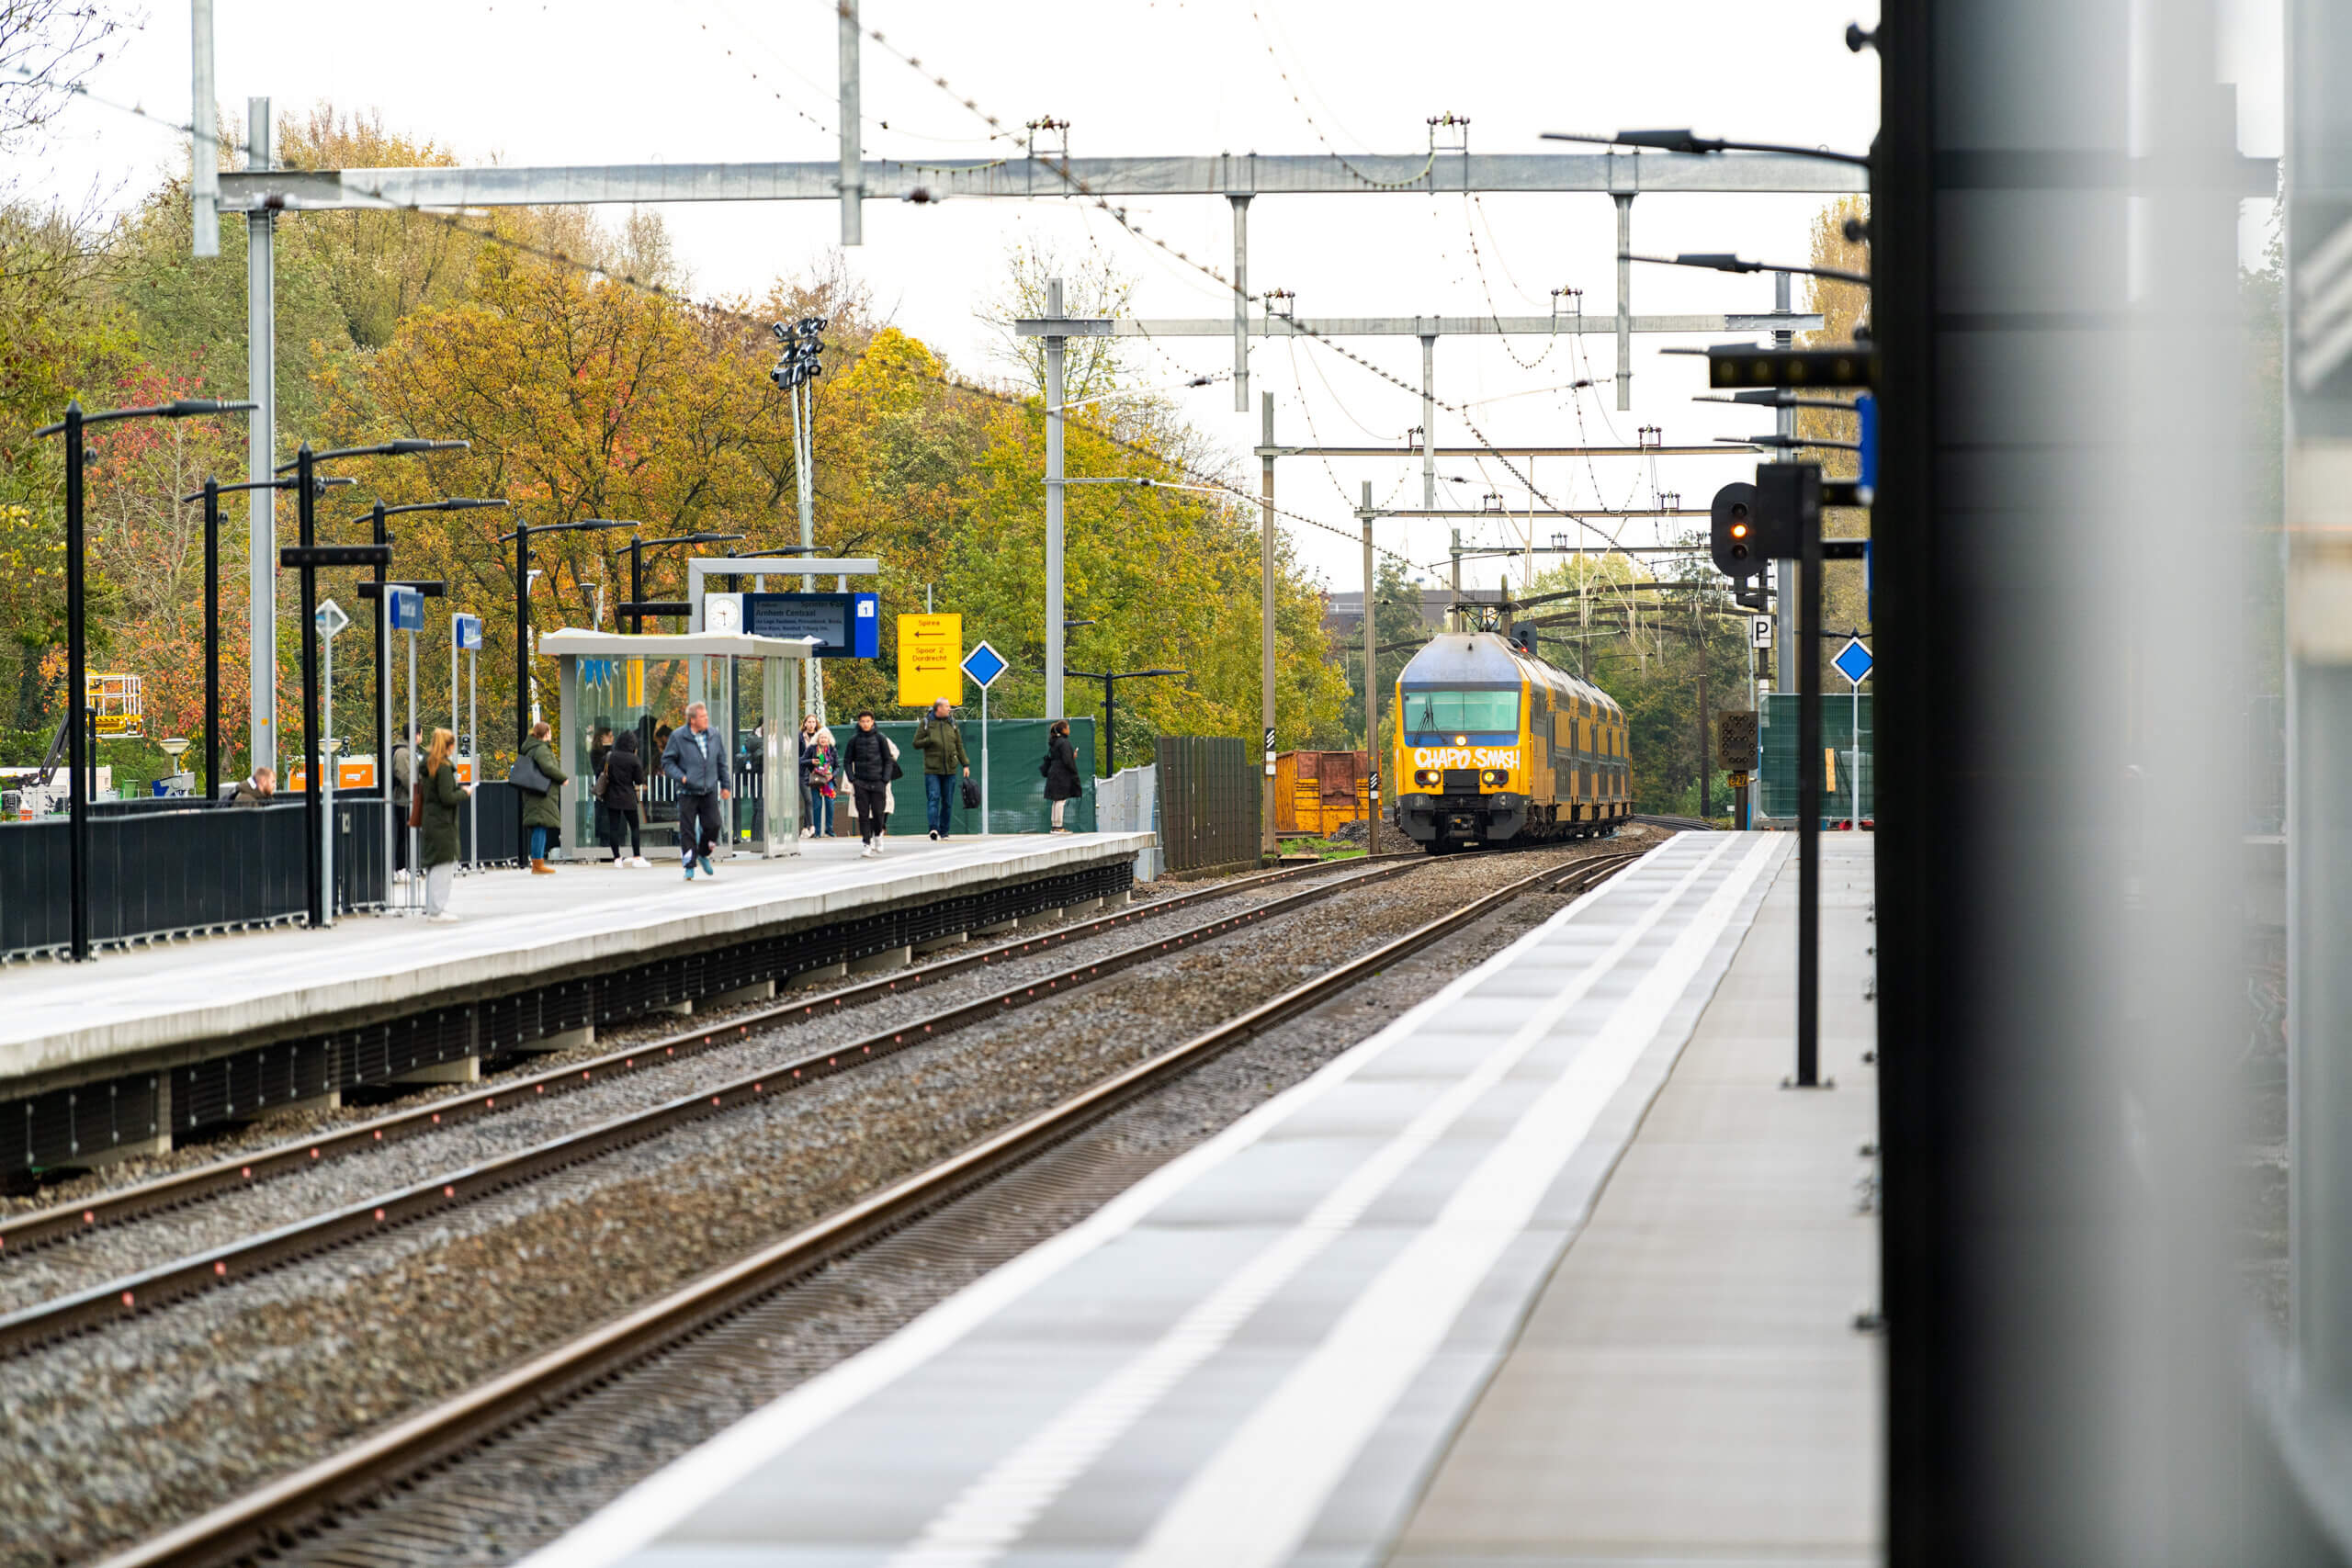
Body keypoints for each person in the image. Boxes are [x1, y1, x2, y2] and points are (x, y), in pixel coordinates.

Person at [660, 701, 733, 880]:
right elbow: (667, 762)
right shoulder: (678, 737)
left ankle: (703, 853)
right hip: (687, 792)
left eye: (706, 716)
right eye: (702, 717)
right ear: (692, 720)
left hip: (708, 789)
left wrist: (725, 785)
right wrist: (682, 777)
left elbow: (721, 761)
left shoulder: (714, 735)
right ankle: (689, 866)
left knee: (714, 825)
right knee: (688, 831)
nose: (706, 719)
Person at [417, 727, 471, 922]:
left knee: (434, 865)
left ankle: (432, 907)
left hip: (430, 819)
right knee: (444, 865)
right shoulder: (444, 767)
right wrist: (464, 793)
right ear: (448, 746)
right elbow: (447, 796)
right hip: (443, 822)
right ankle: (437, 910)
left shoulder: (429, 764)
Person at [911, 698, 971, 841]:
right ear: (938, 708)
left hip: (950, 769)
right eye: (946, 706)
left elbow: (959, 745)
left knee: (948, 801)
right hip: (932, 769)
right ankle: (933, 828)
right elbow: (916, 743)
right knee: (934, 798)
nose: (949, 709)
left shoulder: (952, 723)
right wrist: (929, 740)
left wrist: (965, 764)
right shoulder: (926, 723)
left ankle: (944, 831)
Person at [842, 709, 899, 859]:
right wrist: (852, 779)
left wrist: (885, 779)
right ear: (859, 723)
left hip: (878, 782)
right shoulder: (854, 740)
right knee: (863, 814)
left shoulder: (880, 738)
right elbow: (847, 761)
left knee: (879, 812)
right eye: (863, 721)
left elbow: (888, 759)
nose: (865, 724)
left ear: (873, 722)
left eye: (868, 721)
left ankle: (878, 835)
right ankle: (866, 844)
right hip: (861, 782)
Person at [518, 719, 569, 875]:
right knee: (540, 827)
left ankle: (537, 863)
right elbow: (548, 767)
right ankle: (538, 864)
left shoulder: (530, 748)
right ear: (546, 733)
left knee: (539, 827)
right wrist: (562, 778)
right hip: (541, 793)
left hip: (534, 792)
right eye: (550, 732)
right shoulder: (541, 749)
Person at [600, 730, 647, 865]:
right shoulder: (633, 759)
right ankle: (637, 857)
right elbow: (639, 780)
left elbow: (599, 773)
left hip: (611, 797)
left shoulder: (609, 756)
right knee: (634, 827)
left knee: (613, 828)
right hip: (628, 797)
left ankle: (617, 858)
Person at [797, 715, 838, 840]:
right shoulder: (811, 748)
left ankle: (829, 829)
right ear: (818, 739)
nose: (823, 739)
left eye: (826, 737)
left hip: (828, 780)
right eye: (821, 737)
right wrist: (811, 761)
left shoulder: (832, 749)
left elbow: (837, 766)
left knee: (830, 803)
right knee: (816, 804)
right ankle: (817, 831)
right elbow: (801, 760)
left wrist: (832, 775)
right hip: (815, 779)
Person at [390, 727, 421, 881]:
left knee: (407, 835)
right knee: (404, 835)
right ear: (417, 735)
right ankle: (400, 869)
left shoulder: (407, 751)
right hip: (404, 800)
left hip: (408, 799)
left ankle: (404, 868)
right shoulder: (403, 752)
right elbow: (405, 775)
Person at [1043, 718, 1082, 832]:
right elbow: (1066, 760)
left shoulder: (1055, 742)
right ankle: (1059, 826)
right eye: (1068, 727)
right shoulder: (1064, 742)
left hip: (1053, 772)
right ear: (1063, 729)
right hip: (1061, 774)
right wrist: (1072, 763)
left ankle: (1055, 825)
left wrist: (1071, 756)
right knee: (1061, 800)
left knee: (1056, 800)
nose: (1069, 729)